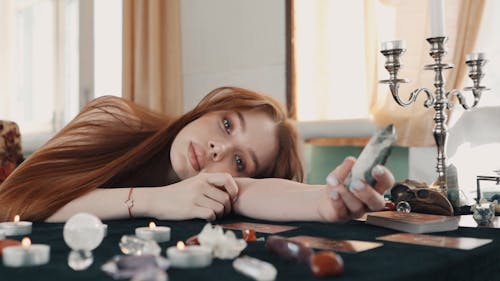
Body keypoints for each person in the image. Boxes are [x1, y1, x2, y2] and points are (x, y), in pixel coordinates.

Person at [0, 86, 394, 223]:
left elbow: (252, 192)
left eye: (240, 161)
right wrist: (156, 199)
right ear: (208, 109)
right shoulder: (112, 117)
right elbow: (12, 202)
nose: (218, 149)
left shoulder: (214, 191)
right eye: (226, 124)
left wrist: (325, 202)